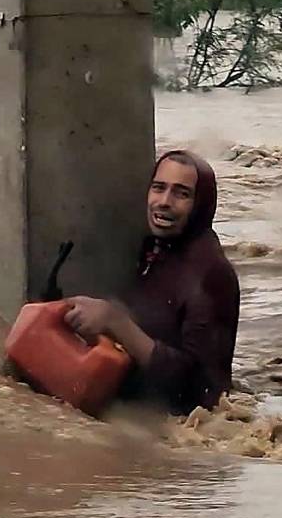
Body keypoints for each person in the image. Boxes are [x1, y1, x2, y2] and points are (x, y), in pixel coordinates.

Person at [63, 150, 240, 415]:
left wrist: (116, 322)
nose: (164, 201)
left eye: (181, 194)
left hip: (183, 434)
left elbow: (201, 391)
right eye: (159, 188)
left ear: (201, 205)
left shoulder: (212, 275)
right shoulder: (156, 250)